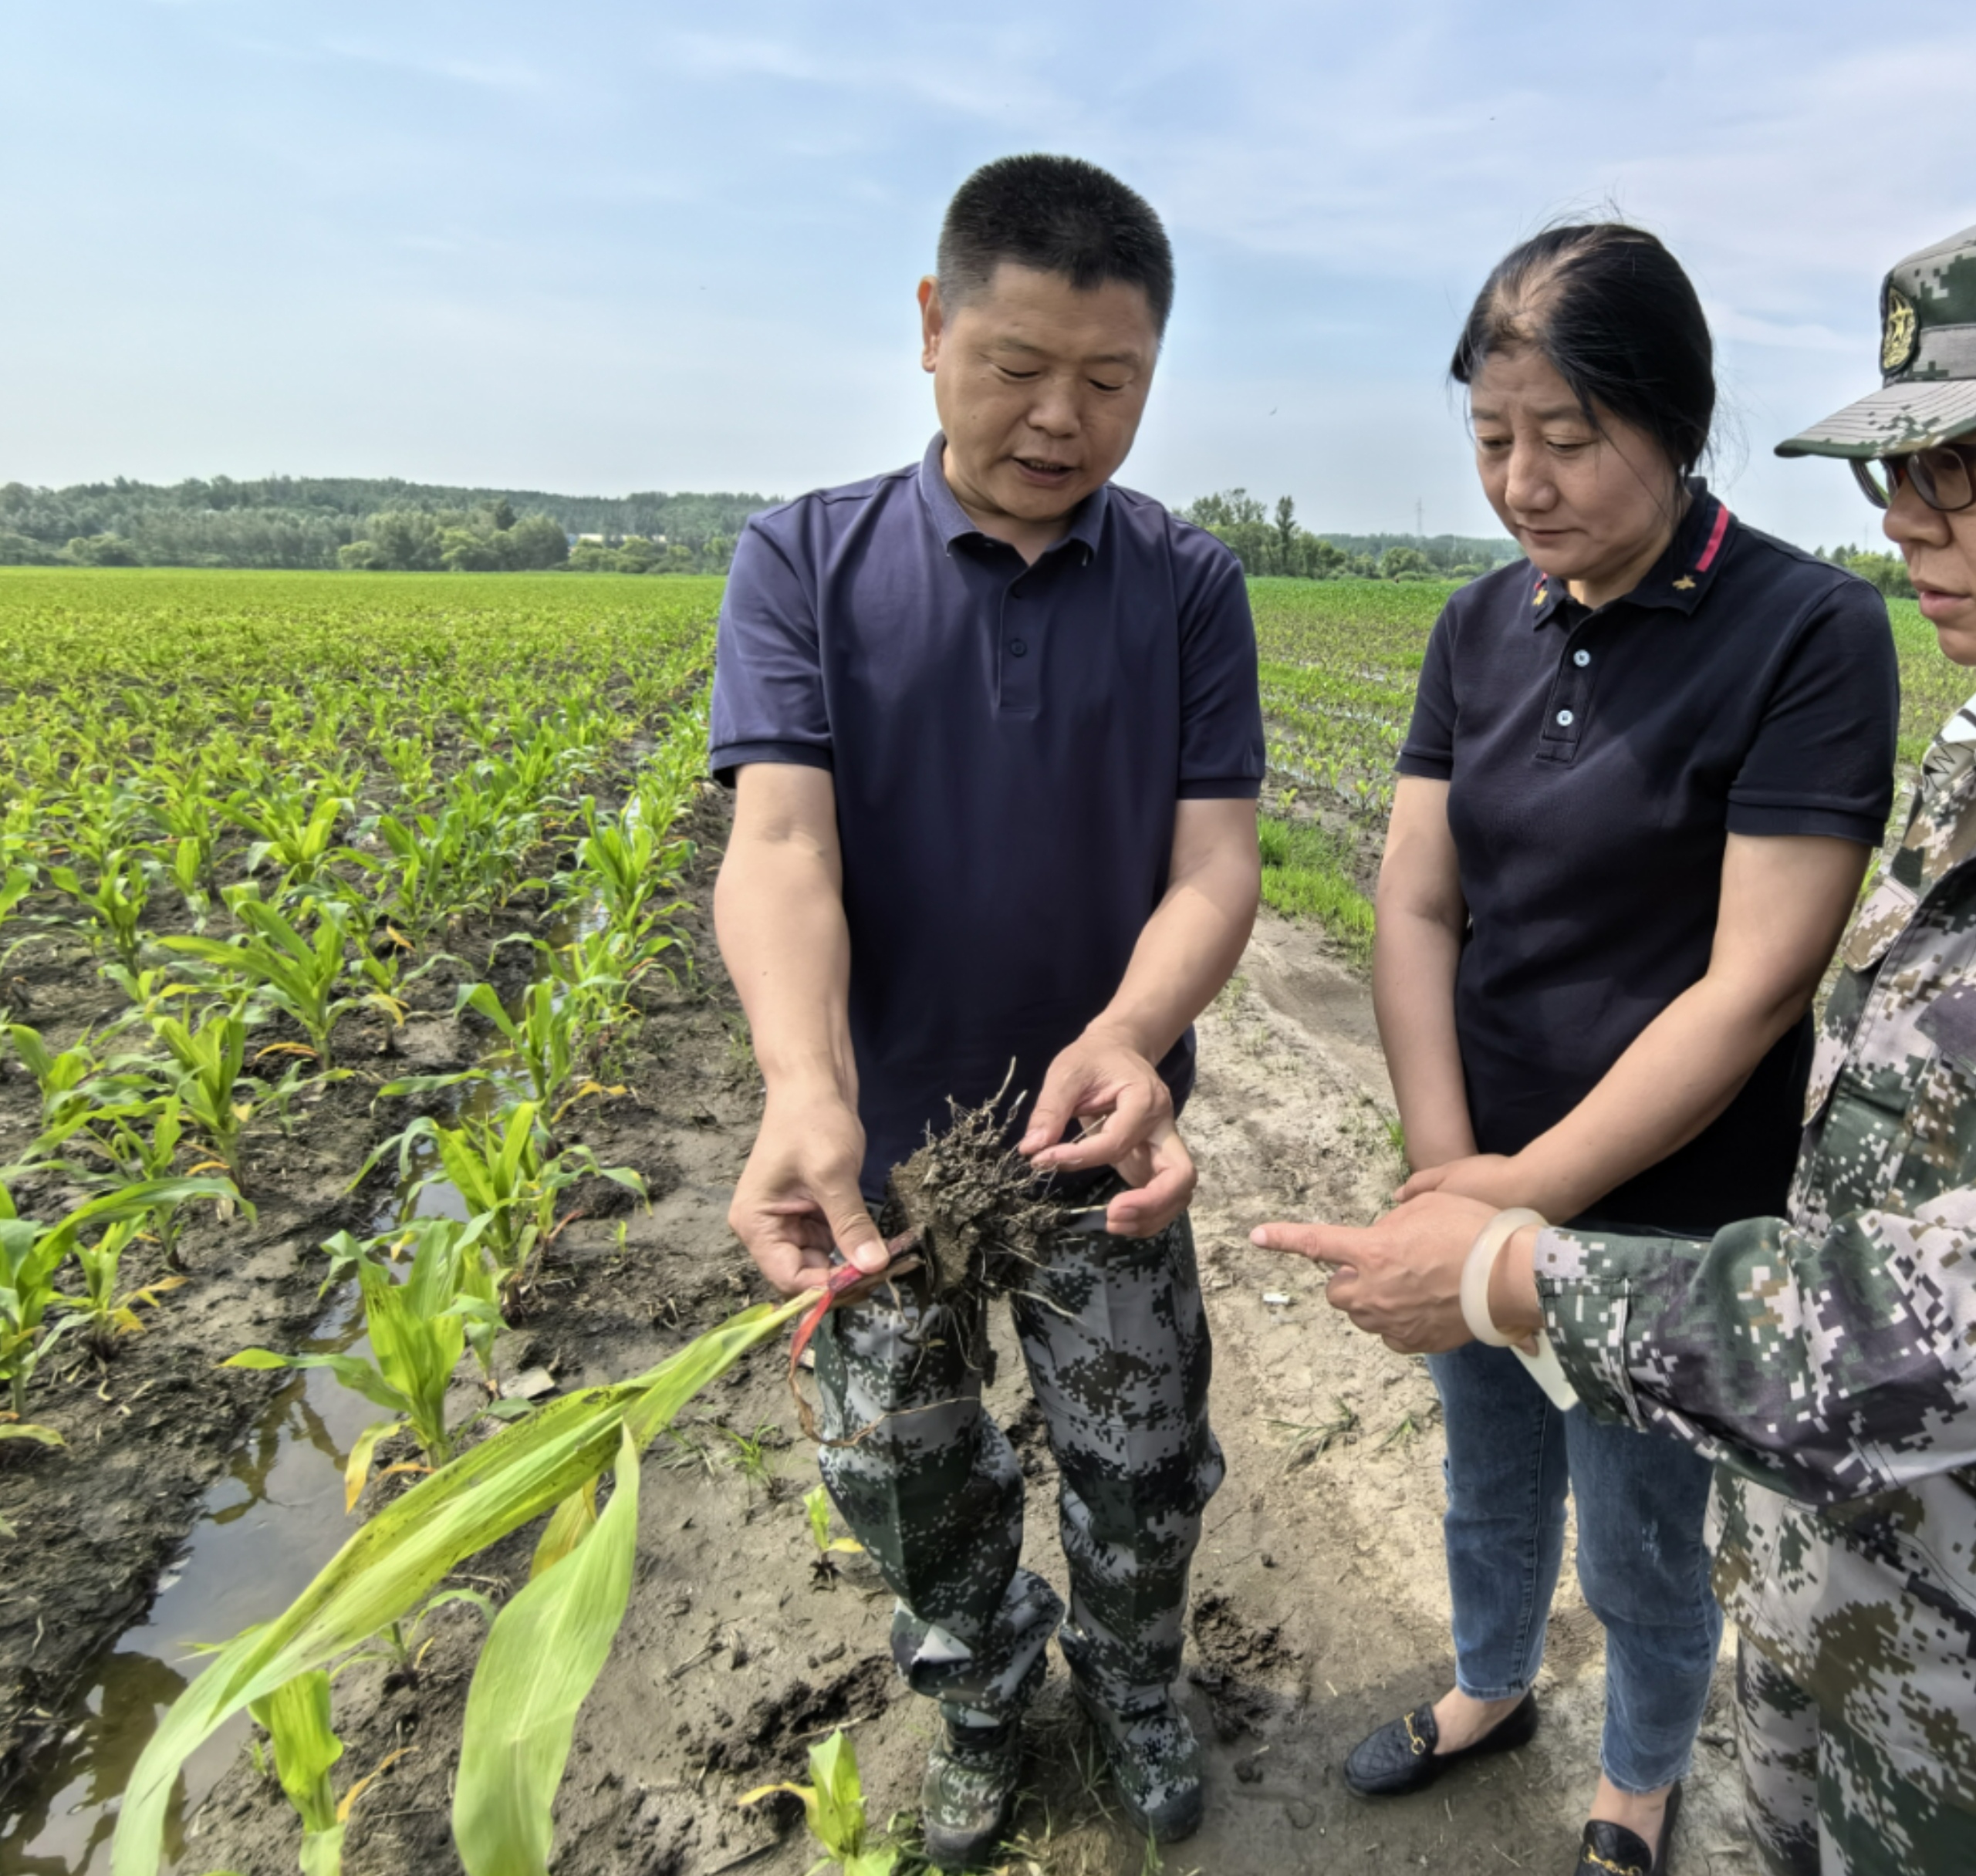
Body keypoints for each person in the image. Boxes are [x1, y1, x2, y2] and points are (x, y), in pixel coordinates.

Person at [1256, 222, 1976, 1876]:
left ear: (1677, 421)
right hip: (1476, 1161)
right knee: (1487, 1471)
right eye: (1494, 441)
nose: (1524, 481)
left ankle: (1637, 1777)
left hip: (1664, 1208)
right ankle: (1490, 1685)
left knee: (1647, 1534)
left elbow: (1750, 988)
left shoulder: (1803, 634)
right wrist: (1452, 1170)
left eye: (1569, 440)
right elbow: (1418, 908)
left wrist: (1525, 1202)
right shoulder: (1471, 631)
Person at [709, 154, 1264, 1869]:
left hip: (1103, 1149)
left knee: (1142, 1464)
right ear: (933, 326)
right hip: (877, 1178)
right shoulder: (805, 560)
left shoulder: (1185, 585)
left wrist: (1128, 1035)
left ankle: (1132, 1685)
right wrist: (804, 1087)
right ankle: (981, 1703)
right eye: (1018, 364)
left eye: (1110, 383)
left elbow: (1217, 866)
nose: (1059, 418)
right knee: (908, 1473)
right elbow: (780, 842)